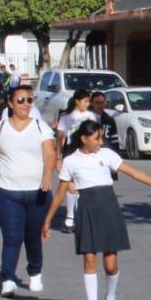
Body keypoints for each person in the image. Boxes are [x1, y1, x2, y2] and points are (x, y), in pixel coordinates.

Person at [42, 119, 151, 300]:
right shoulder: (71, 161)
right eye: (96, 138)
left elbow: (134, 173)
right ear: (83, 139)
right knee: (89, 260)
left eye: (101, 137)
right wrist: (47, 221)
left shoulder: (107, 155)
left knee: (111, 265)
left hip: (109, 208)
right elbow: (59, 193)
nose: (100, 141)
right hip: (87, 210)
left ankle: (110, 299)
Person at [0, 84, 57, 298]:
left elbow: (50, 154)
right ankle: (8, 279)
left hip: (38, 193)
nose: (26, 104)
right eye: (20, 100)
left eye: (29, 100)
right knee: (12, 237)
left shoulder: (40, 126)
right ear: (10, 103)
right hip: (7, 192)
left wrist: (48, 174)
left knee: (33, 237)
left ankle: (35, 272)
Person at [55, 90, 97, 231]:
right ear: (77, 101)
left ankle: (83, 215)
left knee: (84, 184)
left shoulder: (91, 116)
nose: (87, 104)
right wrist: (58, 157)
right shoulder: (66, 118)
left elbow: (95, 135)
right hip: (71, 152)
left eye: (88, 101)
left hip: (87, 152)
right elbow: (60, 139)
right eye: (85, 101)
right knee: (70, 185)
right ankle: (70, 217)